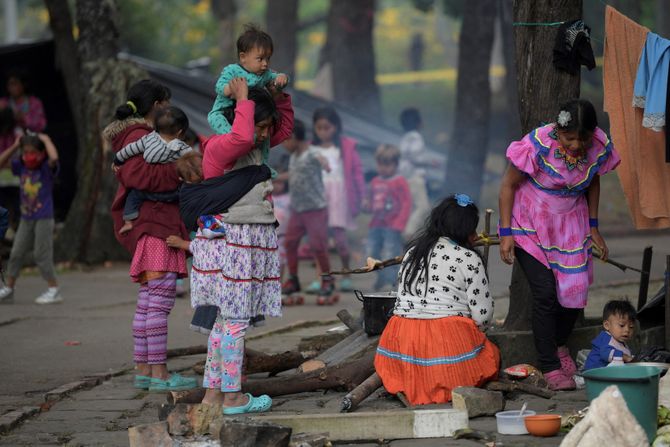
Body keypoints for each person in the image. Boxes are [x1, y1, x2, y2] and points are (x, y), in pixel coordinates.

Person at [174, 78, 293, 414]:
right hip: (239, 243)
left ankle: (212, 395)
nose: (267, 134)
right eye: (262, 126)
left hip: (246, 240)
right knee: (236, 323)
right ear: (240, 117)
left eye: (268, 126)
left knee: (224, 323)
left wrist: (279, 98)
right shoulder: (223, 145)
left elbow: (283, 131)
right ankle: (233, 397)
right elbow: (242, 133)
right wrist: (243, 98)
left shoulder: (254, 145)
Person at [498, 99, 621, 390]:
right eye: (569, 138)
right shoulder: (538, 144)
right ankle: (551, 367)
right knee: (545, 294)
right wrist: (506, 232)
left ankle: (560, 345)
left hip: (571, 224)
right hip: (531, 221)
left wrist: (594, 227)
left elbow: (592, 181)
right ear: (558, 131)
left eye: (584, 137)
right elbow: (508, 185)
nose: (577, 145)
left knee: (575, 291)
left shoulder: (598, 147)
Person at [106, 79, 196, 393]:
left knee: (146, 304)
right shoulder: (146, 136)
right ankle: (159, 374)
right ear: (158, 106)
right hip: (159, 229)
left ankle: (143, 369)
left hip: (150, 230)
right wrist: (181, 171)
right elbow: (139, 176)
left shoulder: (139, 138)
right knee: (159, 304)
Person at [374, 194, 499, 405]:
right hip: (447, 339)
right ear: (465, 231)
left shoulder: (412, 253)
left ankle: (412, 382)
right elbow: (483, 316)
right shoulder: (469, 258)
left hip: (402, 338)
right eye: (473, 229)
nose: (475, 235)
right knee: (490, 355)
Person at [208, 23, 288, 172]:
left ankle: (262, 164)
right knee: (233, 136)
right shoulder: (232, 70)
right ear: (243, 57)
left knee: (264, 138)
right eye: (260, 59)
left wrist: (282, 78)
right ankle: (235, 143)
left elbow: (276, 77)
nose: (265, 64)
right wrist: (231, 89)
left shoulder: (264, 73)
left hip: (248, 112)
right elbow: (219, 86)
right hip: (223, 111)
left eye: (268, 59)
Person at [281, 119, 337, 305]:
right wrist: (273, 177)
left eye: (285, 139)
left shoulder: (312, 153)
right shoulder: (294, 156)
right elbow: (294, 175)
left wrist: (325, 164)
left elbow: (320, 159)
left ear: (294, 136)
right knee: (290, 243)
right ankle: (294, 279)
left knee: (318, 245)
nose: (283, 143)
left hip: (315, 209)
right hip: (297, 209)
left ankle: (327, 280)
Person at [0, 133, 61, 304]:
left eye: (33, 152)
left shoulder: (46, 169)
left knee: (42, 255)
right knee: (16, 253)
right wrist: (14, 146)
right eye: (25, 152)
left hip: (44, 218)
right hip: (26, 218)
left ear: (41, 153)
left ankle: (53, 288)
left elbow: (54, 157)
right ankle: (9, 288)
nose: (29, 156)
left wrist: (47, 139)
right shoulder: (22, 167)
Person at [309, 106, 365, 293]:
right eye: (319, 128)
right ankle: (322, 276)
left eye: (327, 127)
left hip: (339, 197)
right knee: (319, 241)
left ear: (336, 127)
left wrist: (361, 196)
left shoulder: (346, 147)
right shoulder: (311, 149)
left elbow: (357, 174)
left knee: (341, 240)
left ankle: (346, 273)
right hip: (318, 198)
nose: (324, 132)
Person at [112, 106, 192, 235]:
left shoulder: (148, 138)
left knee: (132, 195)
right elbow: (191, 161)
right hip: (172, 193)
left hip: (147, 192)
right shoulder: (181, 147)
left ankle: (128, 222)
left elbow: (130, 149)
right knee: (187, 191)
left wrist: (117, 160)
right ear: (179, 133)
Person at [365, 144, 412, 290]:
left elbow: (406, 202)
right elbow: (371, 201)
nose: (383, 168)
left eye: (387, 165)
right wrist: (367, 205)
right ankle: (382, 276)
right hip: (376, 224)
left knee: (391, 253)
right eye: (380, 164)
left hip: (392, 225)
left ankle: (394, 282)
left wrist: (401, 222)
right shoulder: (375, 182)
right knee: (372, 252)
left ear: (396, 165)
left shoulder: (399, 181)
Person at [398, 108, 431, 240]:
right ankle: (409, 231)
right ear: (418, 122)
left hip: (406, 177)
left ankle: (411, 233)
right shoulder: (416, 137)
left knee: (411, 206)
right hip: (415, 177)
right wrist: (429, 162)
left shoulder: (405, 138)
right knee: (423, 207)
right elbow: (415, 156)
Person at [584, 300, 636, 370]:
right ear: (607, 325)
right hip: (595, 373)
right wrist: (625, 357)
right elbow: (605, 353)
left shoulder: (621, 342)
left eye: (631, 327)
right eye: (622, 325)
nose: (627, 330)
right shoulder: (606, 338)